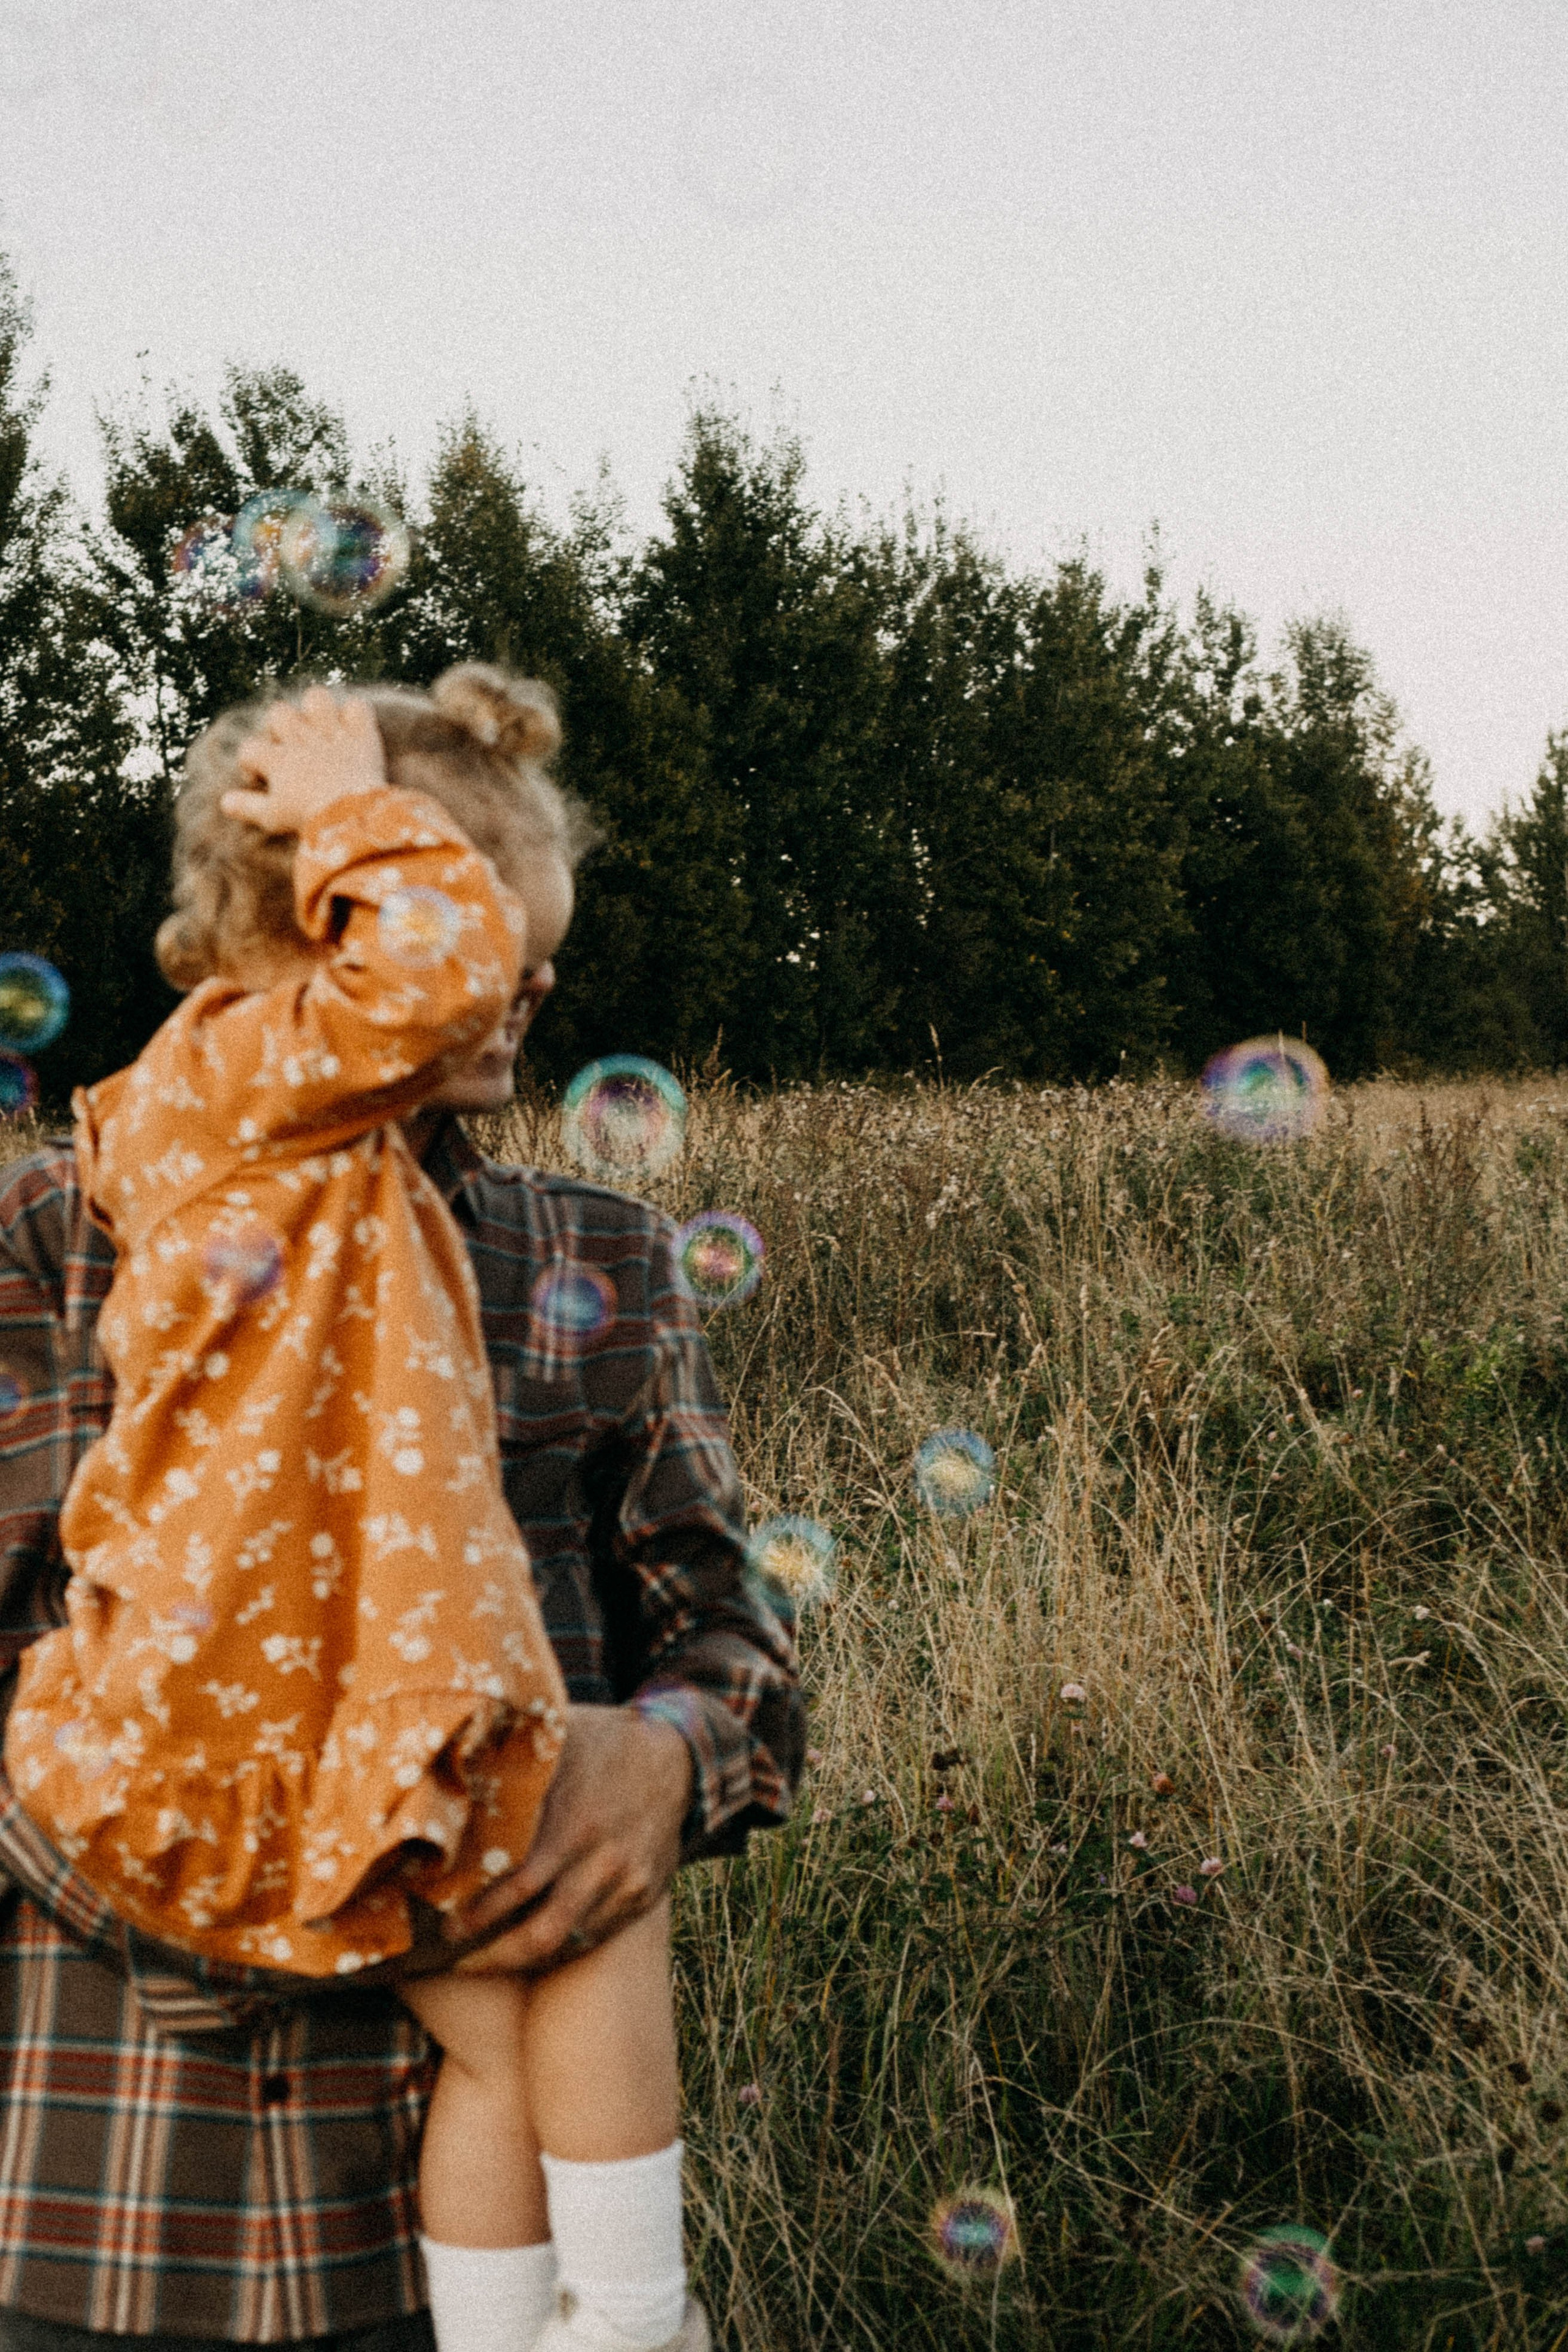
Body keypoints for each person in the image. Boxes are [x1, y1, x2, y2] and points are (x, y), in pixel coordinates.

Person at [0, 674, 804, 2352]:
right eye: (489, 923)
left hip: (430, 2225)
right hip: (125, 2203)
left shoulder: (596, 1259)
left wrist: (662, 1768)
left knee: (566, 1999)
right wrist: (259, 1877)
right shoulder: (67, 1220)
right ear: (341, 905)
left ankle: (608, 2322)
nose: (530, 973)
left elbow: (733, 1641)